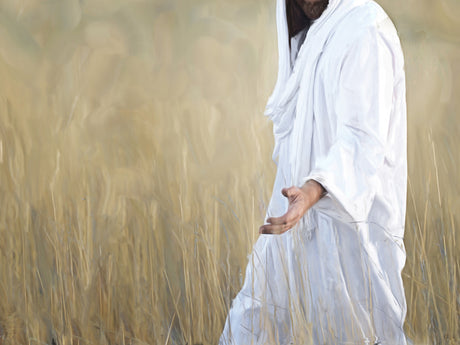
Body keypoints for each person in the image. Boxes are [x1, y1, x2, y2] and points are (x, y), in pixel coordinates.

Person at [219, 0, 408, 344]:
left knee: (354, 331)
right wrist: (298, 198)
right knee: (250, 320)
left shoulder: (365, 28)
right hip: (289, 223)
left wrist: (313, 189)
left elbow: (362, 138)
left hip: (347, 232)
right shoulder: (310, 37)